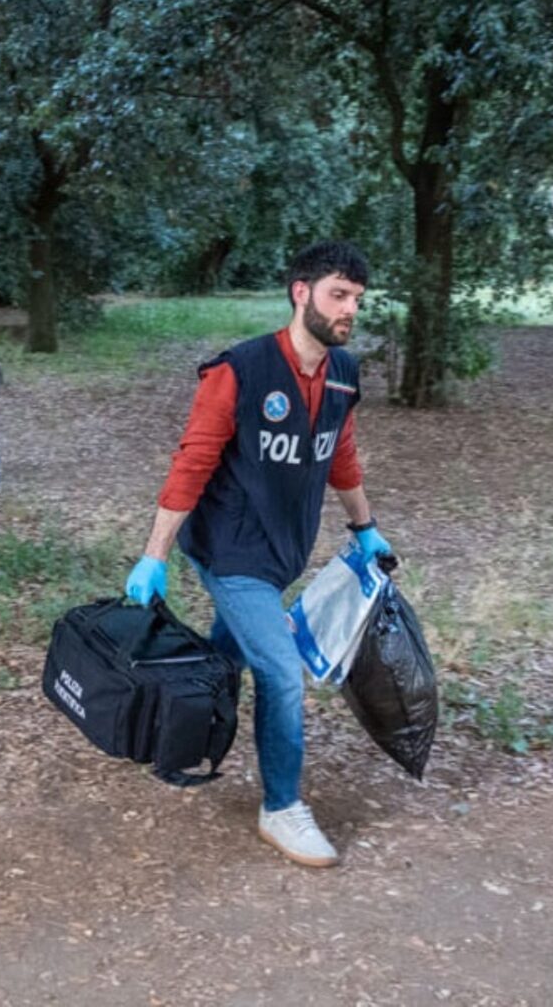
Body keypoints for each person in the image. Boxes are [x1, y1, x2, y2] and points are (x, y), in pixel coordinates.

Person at [124, 240, 392, 869]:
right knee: (280, 670)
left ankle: (173, 733)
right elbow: (193, 461)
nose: (350, 308)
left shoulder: (344, 374)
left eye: (357, 298)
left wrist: (366, 528)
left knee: (227, 656)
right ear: (301, 293)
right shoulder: (238, 371)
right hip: (230, 549)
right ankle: (281, 807)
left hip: (283, 551)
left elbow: (340, 455)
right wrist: (153, 554)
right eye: (338, 294)